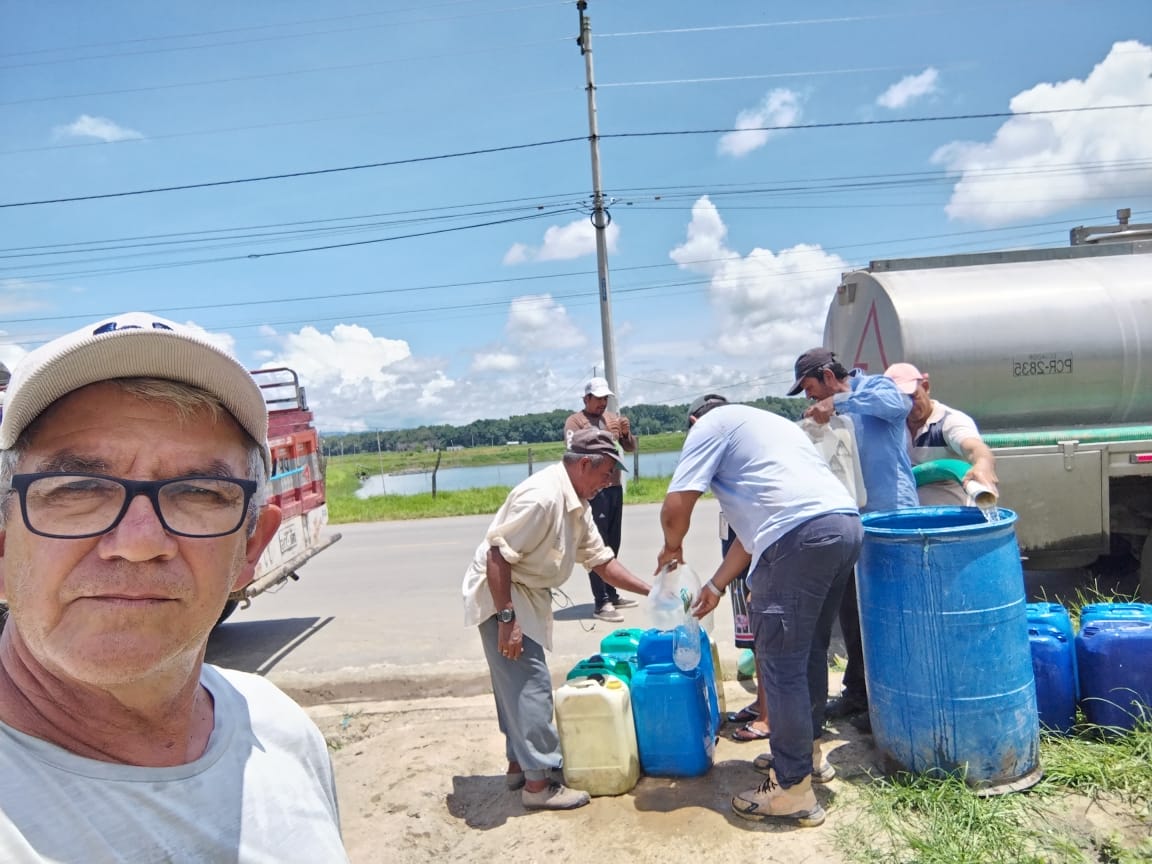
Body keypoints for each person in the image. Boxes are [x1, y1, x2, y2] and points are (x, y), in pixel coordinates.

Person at [0, 313, 348, 861]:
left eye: (199, 492)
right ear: (3, 543)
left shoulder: (280, 730)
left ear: (249, 550)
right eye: (78, 487)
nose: (139, 542)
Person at [660, 395, 862, 828]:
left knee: (780, 662)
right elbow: (751, 536)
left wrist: (671, 548)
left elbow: (677, 504)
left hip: (799, 537)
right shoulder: (767, 428)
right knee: (807, 652)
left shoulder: (708, 426)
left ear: (694, 420)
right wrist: (715, 586)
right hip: (842, 525)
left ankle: (791, 788)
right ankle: (806, 756)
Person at [462, 427, 650, 811]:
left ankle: (519, 765)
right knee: (530, 686)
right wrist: (507, 619)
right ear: (584, 465)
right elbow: (497, 556)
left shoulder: (577, 502)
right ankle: (538, 785)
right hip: (503, 594)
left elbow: (602, 561)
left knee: (513, 686)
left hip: (524, 593)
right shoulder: (542, 497)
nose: (608, 483)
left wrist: (653, 590)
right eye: (605, 474)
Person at [787, 347, 918, 725]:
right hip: (850, 522)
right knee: (852, 611)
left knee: (893, 613)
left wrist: (838, 402)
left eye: (810, 387)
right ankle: (859, 695)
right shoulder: (829, 415)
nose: (810, 397)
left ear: (828, 376)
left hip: (892, 520)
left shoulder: (877, 388)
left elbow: (898, 405)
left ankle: (897, 702)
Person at [563, 376, 638, 623]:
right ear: (586, 398)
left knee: (613, 542)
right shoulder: (575, 421)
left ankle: (611, 593)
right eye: (598, 398)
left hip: (614, 485)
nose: (603, 403)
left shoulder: (610, 418)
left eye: (605, 398)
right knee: (598, 544)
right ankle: (601, 601)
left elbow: (629, 447)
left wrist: (625, 433)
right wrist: (606, 434)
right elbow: (574, 450)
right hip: (593, 488)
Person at [884, 362, 999, 506]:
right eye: (900, 401)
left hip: (953, 514)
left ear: (925, 387)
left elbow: (973, 447)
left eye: (913, 396)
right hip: (908, 515)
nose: (909, 406)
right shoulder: (892, 425)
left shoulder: (948, 421)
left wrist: (983, 464)